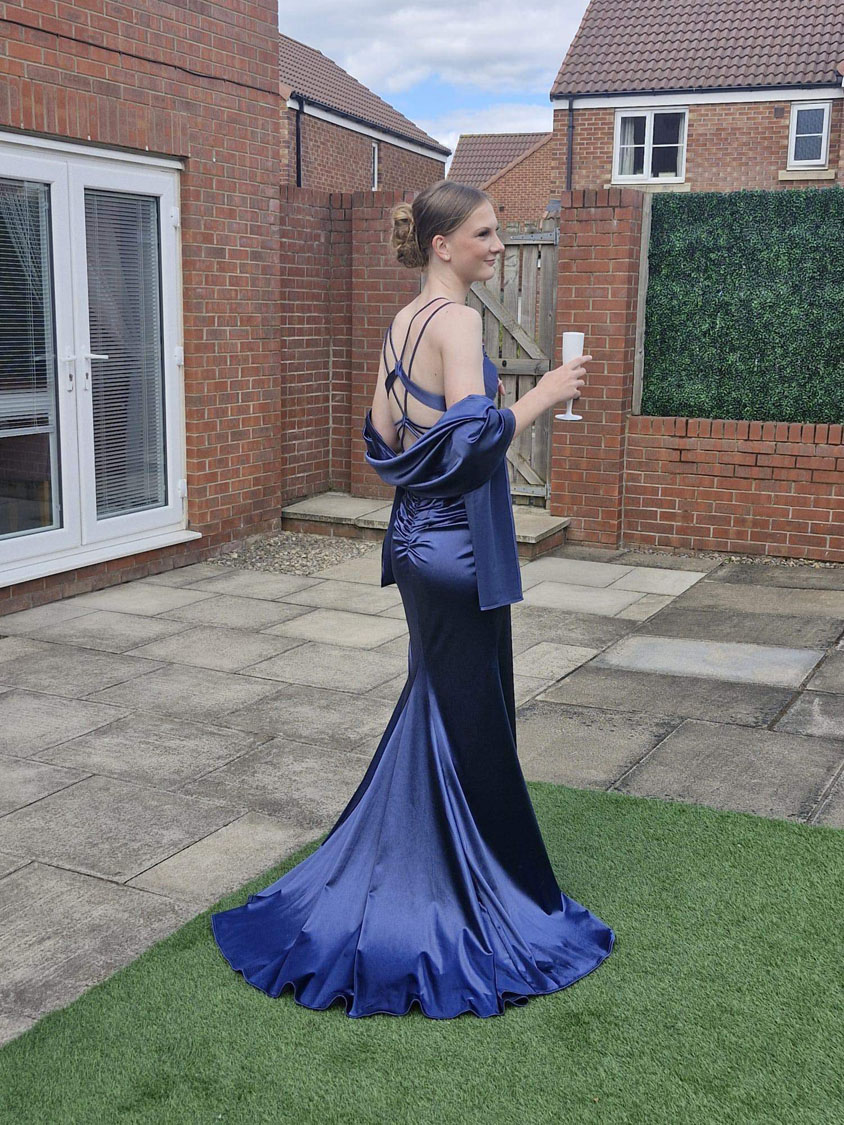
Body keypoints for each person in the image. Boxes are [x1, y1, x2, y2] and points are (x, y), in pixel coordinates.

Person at [210, 180, 615, 1019]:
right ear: (442, 244)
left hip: (415, 542)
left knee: (440, 705)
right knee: (473, 720)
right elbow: (469, 445)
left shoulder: (403, 323)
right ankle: (468, 898)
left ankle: (415, 863)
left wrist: (460, 442)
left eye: (498, 233)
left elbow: (384, 439)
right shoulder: (457, 322)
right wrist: (544, 394)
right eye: (485, 233)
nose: (497, 245)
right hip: (457, 549)